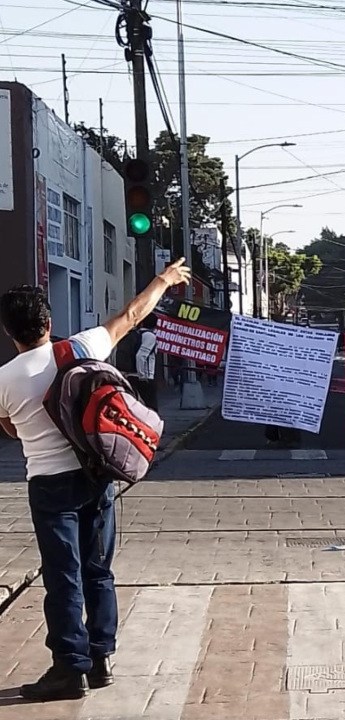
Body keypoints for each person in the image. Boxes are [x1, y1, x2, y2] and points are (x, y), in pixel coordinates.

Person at [0, 259, 191, 701]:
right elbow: (131, 315)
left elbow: (10, 428)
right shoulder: (81, 347)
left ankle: (70, 669)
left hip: (49, 486)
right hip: (95, 474)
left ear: (10, 332)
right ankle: (102, 657)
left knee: (62, 575)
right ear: (48, 322)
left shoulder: (5, 379)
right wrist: (162, 280)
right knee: (98, 569)